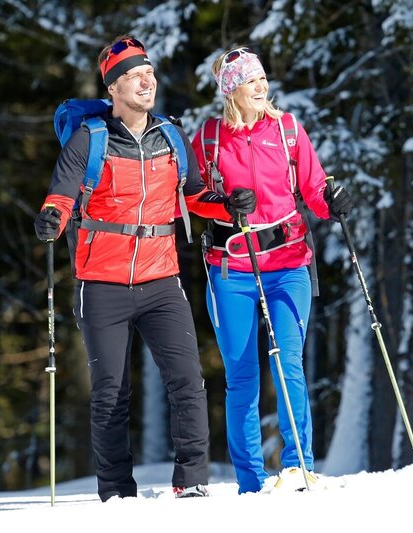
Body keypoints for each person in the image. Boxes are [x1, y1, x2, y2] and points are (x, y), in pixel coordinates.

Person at [33, 35, 256, 502]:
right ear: (113, 87)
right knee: (111, 393)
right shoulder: (89, 139)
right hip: (101, 283)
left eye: (149, 74)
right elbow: (62, 195)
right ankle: (117, 493)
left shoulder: (170, 136)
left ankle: (192, 481)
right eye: (135, 76)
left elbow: (194, 195)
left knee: (188, 381)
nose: (146, 82)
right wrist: (52, 217)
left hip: (160, 279)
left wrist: (227, 205)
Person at [191, 47, 353, 494]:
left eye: (262, 77)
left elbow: (314, 187)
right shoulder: (210, 138)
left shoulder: (287, 130)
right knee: (242, 376)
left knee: (288, 363)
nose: (261, 86)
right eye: (251, 80)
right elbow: (191, 196)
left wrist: (332, 202)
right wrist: (223, 204)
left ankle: (299, 466)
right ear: (232, 90)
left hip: (288, 264)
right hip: (232, 268)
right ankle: (251, 482)